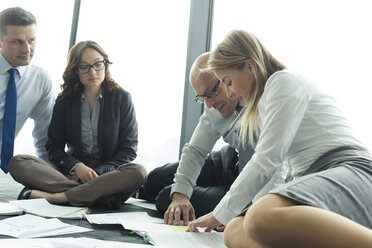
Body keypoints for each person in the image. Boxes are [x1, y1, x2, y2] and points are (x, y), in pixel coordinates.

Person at [188, 30, 372, 248]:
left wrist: (219, 213)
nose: (229, 92)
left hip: (351, 170)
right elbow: (272, 176)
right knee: (236, 231)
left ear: (249, 66)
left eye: (228, 81)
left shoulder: (282, 82)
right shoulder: (262, 105)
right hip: (312, 179)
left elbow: (266, 162)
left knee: (258, 217)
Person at [139, 52, 286, 225]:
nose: (208, 104)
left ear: (227, 78)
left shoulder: (266, 104)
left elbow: (268, 174)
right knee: (152, 180)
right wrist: (181, 195)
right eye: (202, 97)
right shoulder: (214, 105)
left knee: (165, 198)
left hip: (250, 183)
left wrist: (236, 213)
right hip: (227, 162)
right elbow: (195, 150)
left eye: (211, 92)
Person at [8, 40, 147, 209]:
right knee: (18, 162)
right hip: (71, 172)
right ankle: (99, 196)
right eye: (84, 67)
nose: (93, 71)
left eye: (98, 64)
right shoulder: (64, 100)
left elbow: (128, 150)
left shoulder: (122, 98)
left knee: (138, 172)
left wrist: (98, 173)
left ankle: (61, 197)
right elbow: (54, 148)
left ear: (105, 64)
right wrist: (77, 167)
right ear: (75, 70)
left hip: (108, 173)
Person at [0, 7, 54, 174]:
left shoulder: (40, 79)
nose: (27, 49)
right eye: (17, 41)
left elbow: (44, 136)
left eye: (31, 40)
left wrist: (52, 174)